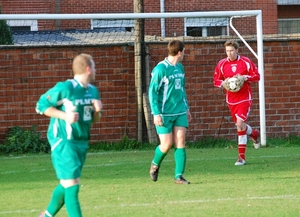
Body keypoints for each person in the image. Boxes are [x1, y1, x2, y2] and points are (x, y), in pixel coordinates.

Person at [36, 53, 103, 217]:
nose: (96, 70)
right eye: (94, 67)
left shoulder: (93, 91)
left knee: (67, 183)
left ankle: (46, 216)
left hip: (81, 142)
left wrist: (97, 111)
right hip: (64, 141)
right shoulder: (67, 88)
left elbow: (93, 120)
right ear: (88, 69)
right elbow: (41, 106)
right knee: (73, 185)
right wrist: (65, 116)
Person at [148, 40, 192, 184]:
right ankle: (155, 165)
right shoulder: (161, 69)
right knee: (166, 145)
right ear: (179, 52)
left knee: (181, 141)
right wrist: (156, 113)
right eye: (184, 51)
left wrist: (186, 108)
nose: (184, 54)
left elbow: (182, 90)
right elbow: (152, 92)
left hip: (179, 111)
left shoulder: (180, 68)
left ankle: (178, 176)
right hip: (164, 113)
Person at [213, 40, 260, 166]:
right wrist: (223, 83)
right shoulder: (221, 64)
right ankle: (254, 134)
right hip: (231, 100)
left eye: (232, 50)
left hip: (244, 97)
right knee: (241, 126)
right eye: (227, 51)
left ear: (237, 50)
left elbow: (257, 76)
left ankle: (241, 158)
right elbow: (216, 80)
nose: (229, 53)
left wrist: (245, 77)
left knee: (240, 124)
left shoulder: (245, 62)